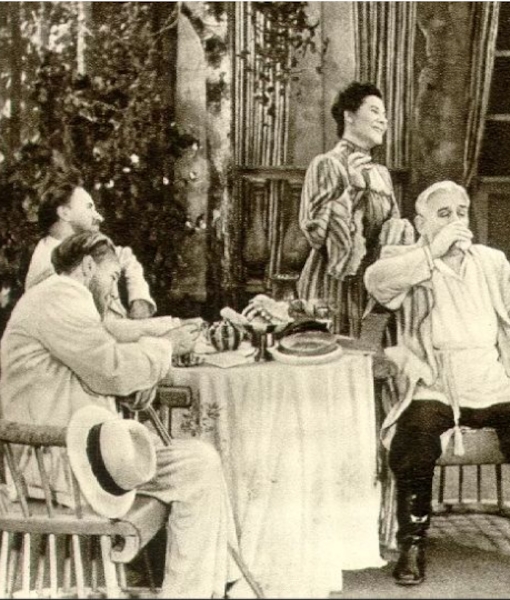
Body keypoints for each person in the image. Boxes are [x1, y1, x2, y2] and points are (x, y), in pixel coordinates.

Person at [364, 181, 510, 584]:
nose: (456, 221)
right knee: (415, 430)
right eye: (443, 214)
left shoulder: (490, 261)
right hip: (435, 381)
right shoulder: (408, 261)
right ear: (421, 223)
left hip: (492, 377)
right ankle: (412, 542)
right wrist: (431, 252)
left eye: (461, 212)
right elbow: (376, 281)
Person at [0, 231, 242, 597]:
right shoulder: (61, 297)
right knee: (197, 467)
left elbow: (93, 363)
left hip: (76, 450)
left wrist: (136, 383)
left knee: (200, 460)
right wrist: (165, 349)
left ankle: (202, 589)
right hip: (57, 461)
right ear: (87, 267)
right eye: (112, 278)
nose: (114, 291)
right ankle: (194, 592)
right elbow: (109, 368)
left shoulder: (62, 298)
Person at [24, 169, 181, 342]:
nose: (99, 217)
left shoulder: (87, 244)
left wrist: (139, 298)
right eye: (89, 207)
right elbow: (85, 332)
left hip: (117, 338)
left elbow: (126, 257)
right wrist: (160, 329)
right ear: (65, 213)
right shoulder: (46, 267)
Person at [297, 81, 400, 337]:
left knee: (370, 352)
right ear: (349, 116)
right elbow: (315, 235)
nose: (383, 120)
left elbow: (395, 227)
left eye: (385, 114)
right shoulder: (326, 165)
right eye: (375, 111)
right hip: (332, 287)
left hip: (373, 286)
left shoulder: (381, 174)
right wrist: (352, 189)